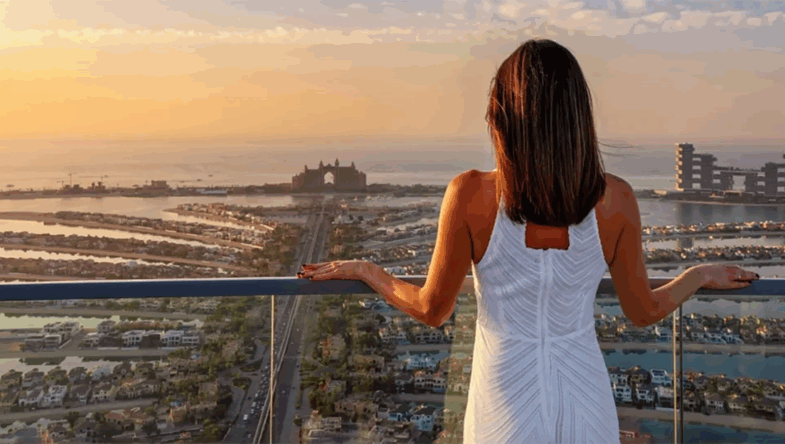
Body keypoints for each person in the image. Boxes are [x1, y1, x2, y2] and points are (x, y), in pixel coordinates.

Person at [299, 39, 758, 443]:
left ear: (504, 117)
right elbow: (643, 311)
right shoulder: (615, 200)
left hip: (503, 408)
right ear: (578, 118)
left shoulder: (471, 196)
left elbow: (431, 308)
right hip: (587, 404)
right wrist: (698, 275)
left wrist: (366, 270)